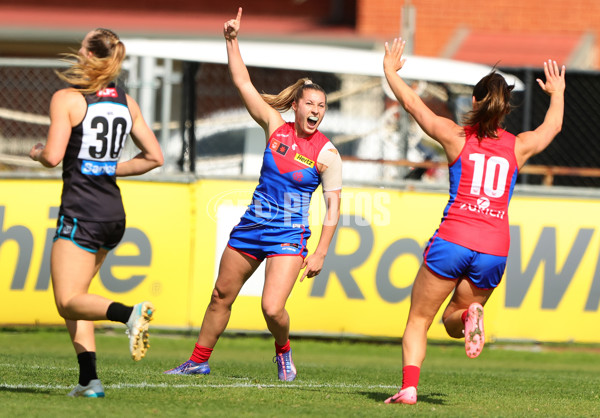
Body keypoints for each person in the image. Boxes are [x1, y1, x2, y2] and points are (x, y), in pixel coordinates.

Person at [381, 38, 565, 405]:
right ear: (505, 109)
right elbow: (552, 128)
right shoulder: (518, 146)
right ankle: (470, 316)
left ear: (475, 102)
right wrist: (557, 92)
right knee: (454, 318)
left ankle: (409, 388)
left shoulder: (455, 136)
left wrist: (390, 70)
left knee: (419, 319)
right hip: (494, 248)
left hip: (453, 239)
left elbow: (413, 104)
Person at [164, 7, 342, 381]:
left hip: (288, 236)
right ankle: (197, 360)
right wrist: (231, 40)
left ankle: (283, 350)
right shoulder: (275, 126)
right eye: (310, 103)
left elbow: (333, 206)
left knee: (272, 309)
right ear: (296, 106)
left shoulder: (327, 154)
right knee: (220, 296)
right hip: (252, 226)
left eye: (322, 106)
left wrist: (321, 251)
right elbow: (243, 83)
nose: (316, 110)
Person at [29, 28, 164, 398]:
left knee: (67, 301)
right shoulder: (126, 102)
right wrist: (108, 168)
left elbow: (54, 156)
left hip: (81, 211)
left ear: (87, 55)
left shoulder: (68, 99)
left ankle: (129, 313)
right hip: (112, 213)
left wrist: (37, 151)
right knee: (80, 298)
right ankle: (89, 381)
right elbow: (155, 157)